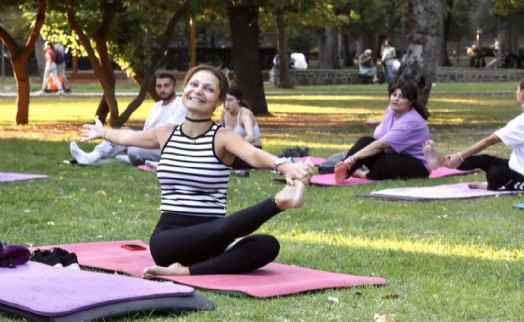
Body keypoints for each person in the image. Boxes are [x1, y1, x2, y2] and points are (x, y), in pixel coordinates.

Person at [76, 64, 313, 276]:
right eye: (194, 84)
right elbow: (129, 136)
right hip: (170, 240)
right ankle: (279, 202)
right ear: (185, 90)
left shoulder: (222, 137)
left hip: (215, 236)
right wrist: (104, 132)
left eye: (209, 89)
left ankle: (187, 271)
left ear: (219, 101)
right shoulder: (166, 133)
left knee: (267, 245)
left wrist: (282, 165)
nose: (199, 91)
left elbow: (252, 153)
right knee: (214, 231)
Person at [423, 79, 524, 191]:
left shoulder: (520, 122)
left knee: (494, 172)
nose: (516, 92)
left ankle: (490, 186)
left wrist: (461, 156)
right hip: (516, 166)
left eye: (517, 89)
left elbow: (489, 141)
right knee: (485, 159)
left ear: (522, 93)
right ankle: (442, 162)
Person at [69, 73, 185, 166]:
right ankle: (91, 156)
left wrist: (134, 139)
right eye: (159, 86)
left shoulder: (180, 104)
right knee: (120, 132)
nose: (162, 89)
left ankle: (134, 158)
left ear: (175, 87)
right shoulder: (156, 106)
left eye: (166, 86)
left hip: (165, 148)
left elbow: (168, 134)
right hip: (148, 142)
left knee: (135, 151)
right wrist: (129, 134)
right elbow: (146, 131)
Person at [334, 82, 431, 183]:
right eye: (394, 95)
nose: (396, 99)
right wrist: (379, 122)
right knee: (365, 142)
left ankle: (365, 174)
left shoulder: (411, 121)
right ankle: (344, 170)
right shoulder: (391, 110)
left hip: (418, 166)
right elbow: (396, 128)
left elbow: (381, 145)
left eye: (402, 97)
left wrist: (354, 157)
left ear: (410, 102)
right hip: (394, 154)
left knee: (385, 163)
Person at [220, 85, 262, 172]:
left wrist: (233, 145)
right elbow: (219, 132)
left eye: (230, 100)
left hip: (252, 151)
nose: (226, 104)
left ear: (238, 100)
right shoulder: (225, 113)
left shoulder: (245, 114)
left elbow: (251, 136)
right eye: (224, 100)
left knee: (224, 160)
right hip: (234, 152)